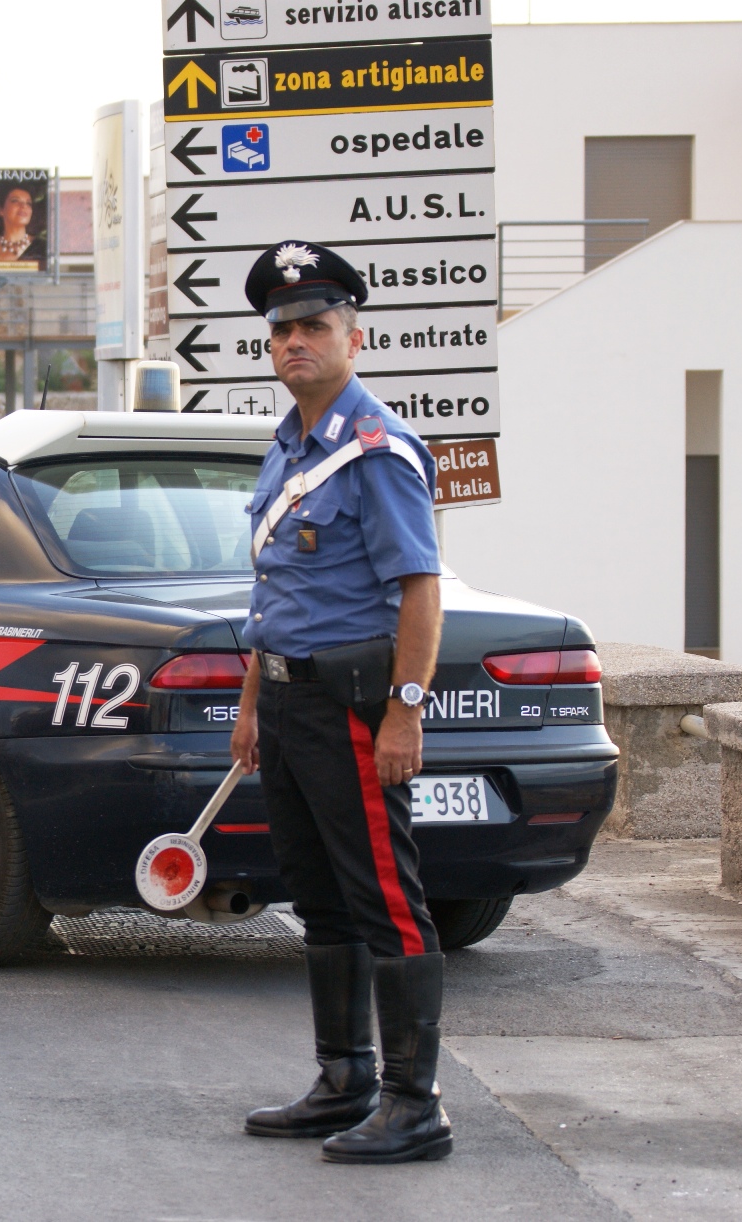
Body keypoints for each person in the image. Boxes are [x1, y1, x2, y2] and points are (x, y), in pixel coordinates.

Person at [230, 240, 451, 1164]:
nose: (294, 341)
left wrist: (403, 711)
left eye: (313, 325)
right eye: (280, 329)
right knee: (316, 899)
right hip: (284, 706)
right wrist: (249, 705)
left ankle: (414, 1102)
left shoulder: (377, 453)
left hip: (351, 706)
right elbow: (274, 595)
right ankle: (343, 1079)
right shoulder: (286, 450)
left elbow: (419, 590)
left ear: (352, 338)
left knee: (385, 903)